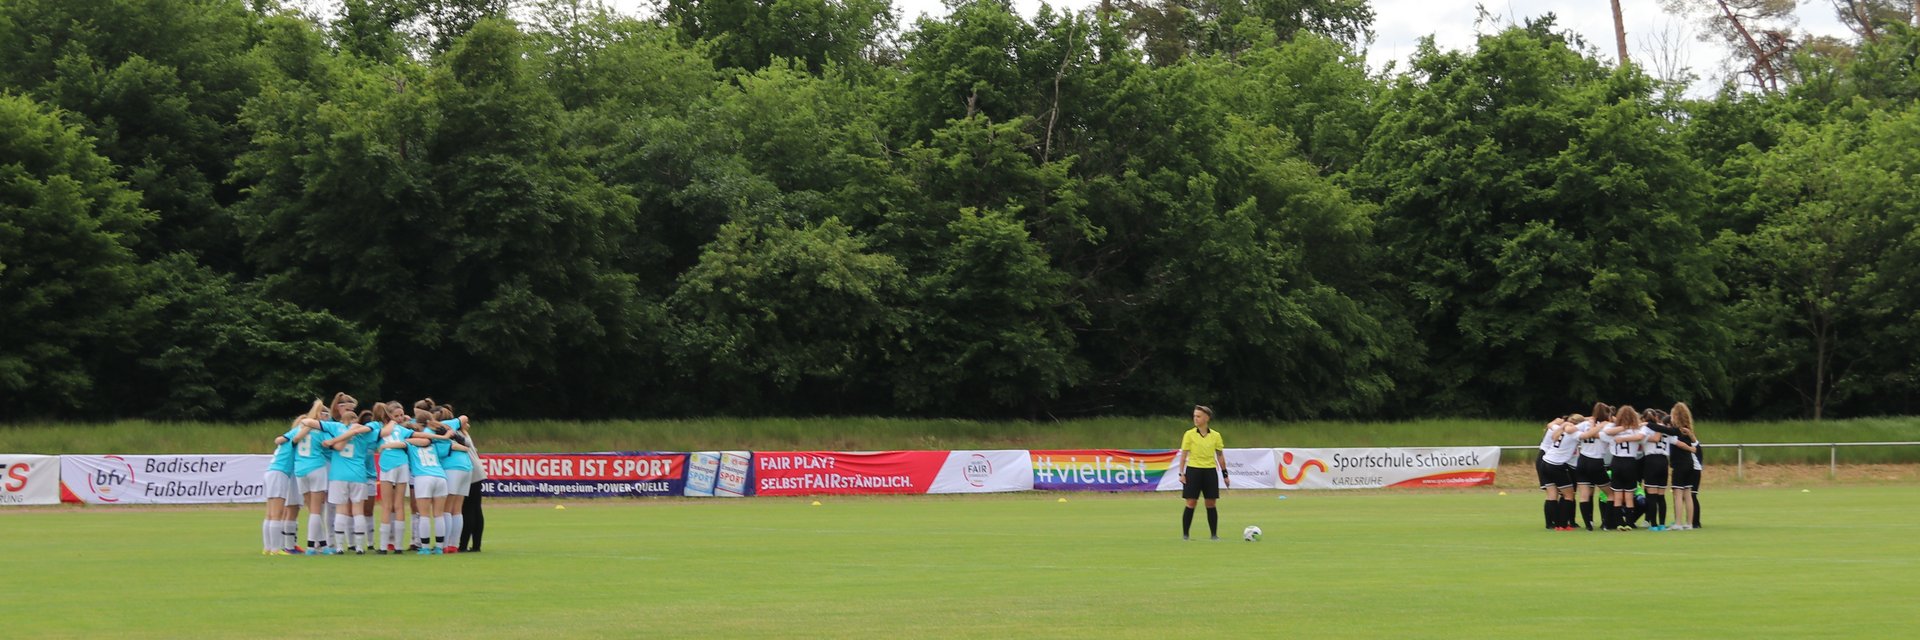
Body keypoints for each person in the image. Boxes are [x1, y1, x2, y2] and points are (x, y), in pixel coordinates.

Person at [321, 406, 378, 553]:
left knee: (341, 510)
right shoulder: (363, 434)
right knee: (358, 510)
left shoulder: (336, 428)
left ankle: (340, 546)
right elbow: (378, 431)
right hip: (358, 475)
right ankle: (359, 546)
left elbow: (315, 424)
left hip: (338, 475)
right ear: (356, 420)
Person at [262, 409, 317, 555]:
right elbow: (296, 436)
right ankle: (275, 549)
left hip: (271, 472)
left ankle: (268, 548)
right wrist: (312, 423)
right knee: (277, 513)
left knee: (270, 513)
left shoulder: (288, 436)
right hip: (279, 473)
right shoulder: (295, 434)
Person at [1175, 405, 1228, 541]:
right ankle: (1186, 535)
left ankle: (1214, 535)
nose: (1195, 419)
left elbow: (1220, 455)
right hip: (1193, 470)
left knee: (1211, 503)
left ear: (1206, 418)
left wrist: (1225, 474)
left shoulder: (1215, 435)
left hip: (1210, 471)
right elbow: (1183, 455)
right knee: (1191, 502)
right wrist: (1181, 473)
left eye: (1198, 416)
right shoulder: (1189, 434)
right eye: (1194, 416)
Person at [375, 402, 414, 554]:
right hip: (402, 463)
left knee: (387, 505)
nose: (399, 418)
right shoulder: (402, 430)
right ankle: (398, 547)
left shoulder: (380, 429)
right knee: (399, 505)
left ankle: (384, 547)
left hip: (388, 464)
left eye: (401, 415)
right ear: (390, 415)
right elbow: (419, 436)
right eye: (396, 416)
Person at [1604, 407, 1648, 531]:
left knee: (1617, 495)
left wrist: (1622, 430)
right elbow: (1642, 437)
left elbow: (1606, 432)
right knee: (1629, 495)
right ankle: (1629, 522)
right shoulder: (1636, 430)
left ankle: (1619, 522)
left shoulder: (1614, 429)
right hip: (1630, 462)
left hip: (1617, 461)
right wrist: (1631, 427)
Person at [436, 405, 472, 554]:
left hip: (452, 467)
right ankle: (453, 544)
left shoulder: (441, 427)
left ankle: (444, 544)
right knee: (457, 508)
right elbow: (464, 418)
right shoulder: (455, 427)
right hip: (466, 467)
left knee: (447, 508)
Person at [1573, 404, 1613, 531]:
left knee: (1584, 495)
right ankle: (1606, 523)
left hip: (1582, 460)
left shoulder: (1585, 424)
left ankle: (1588, 525)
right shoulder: (1608, 426)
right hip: (1596, 461)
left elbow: (1572, 429)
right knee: (1611, 494)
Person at [1539, 416, 1581, 530]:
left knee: (1552, 494)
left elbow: (1550, 425)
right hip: (1555, 465)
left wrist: (1562, 424)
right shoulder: (1575, 433)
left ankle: (1551, 524)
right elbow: (1586, 436)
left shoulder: (1560, 428)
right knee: (1569, 495)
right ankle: (1562, 524)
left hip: (1545, 462)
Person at [1638, 409, 1672, 531]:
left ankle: (1653, 525)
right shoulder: (1664, 428)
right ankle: (1662, 524)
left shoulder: (1645, 428)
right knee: (1661, 496)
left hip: (1651, 460)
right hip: (1663, 461)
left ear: (1644, 419)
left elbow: (1642, 438)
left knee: (1651, 496)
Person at [459, 425, 487, 553]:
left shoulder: (455, 433)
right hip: (476, 470)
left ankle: (463, 545)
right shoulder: (462, 431)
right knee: (475, 509)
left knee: (468, 509)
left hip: (471, 471)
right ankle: (476, 545)